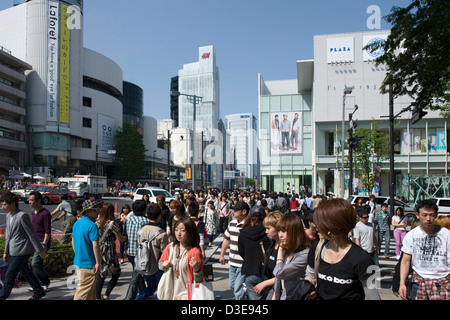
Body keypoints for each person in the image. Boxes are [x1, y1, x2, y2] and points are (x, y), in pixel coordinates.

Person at [305, 198, 380, 300]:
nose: (316, 227)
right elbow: (310, 274)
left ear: (333, 226)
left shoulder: (363, 259)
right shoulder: (317, 248)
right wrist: (308, 288)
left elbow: (373, 296)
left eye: (320, 223)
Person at [399, 199, 450, 300]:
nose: (428, 218)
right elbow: (405, 261)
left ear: (436, 215)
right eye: (424, 215)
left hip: (442, 281)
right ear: (417, 215)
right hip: (419, 281)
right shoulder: (411, 235)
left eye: (431, 215)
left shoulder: (446, 234)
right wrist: (402, 283)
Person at [0, 191, 46, 300]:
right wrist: (6, 251)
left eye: (4, 204)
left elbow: (32, 234)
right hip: (13, 250)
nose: (2, 207)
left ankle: (2, 296)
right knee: (25, 271)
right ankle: (38, 290)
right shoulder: (8, 216)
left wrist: (40, 250)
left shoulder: (22, 216)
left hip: (23, 250)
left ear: (12, 204)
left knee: (10, 274)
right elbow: (9, 236)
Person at [158, 217, 204, 300]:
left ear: (190, 232)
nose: (178, 233)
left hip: (187, 295)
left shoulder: (194, 252)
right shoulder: (171, 247)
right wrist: (163, 265)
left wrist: (196, 269)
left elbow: (200, 280)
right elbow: (160, 264)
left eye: (183, 231)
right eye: (176, 230)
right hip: (171, 293)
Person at [272, 214, 311, 300]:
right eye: (278, 231)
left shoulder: (304, 254)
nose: (280, 235)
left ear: (294, 232)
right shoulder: (287, 250)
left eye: (284, 231)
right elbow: (277, 282)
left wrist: (280, 252)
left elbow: (280, 273)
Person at [135, 203, 169, 300]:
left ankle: (138, 298)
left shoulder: (140, 231)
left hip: (144, 264)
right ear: (159, 216)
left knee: (151, 286)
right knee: (160, 289)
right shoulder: (162, 234)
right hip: (158, 265)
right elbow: (165, 252)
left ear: (147, 214)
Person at [71, 198, 103, 300]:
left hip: (79, 262)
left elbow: (73, 241)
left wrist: (78, 254)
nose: (98, 211)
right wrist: (98, 262)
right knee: (83, 293)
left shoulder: (77, 223)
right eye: (95, 209)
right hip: (89, 263)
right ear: (88, 211)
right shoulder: (92, 226)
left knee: (90, 293)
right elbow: (95, 245)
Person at [238, 205, 271, 300]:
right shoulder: (267, 232)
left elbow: (241, 251)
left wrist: (249, 258)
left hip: (250, 269)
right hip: (267, 270)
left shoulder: (244, 232)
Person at [95, 203, 127, 300]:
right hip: (109, 251)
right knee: (116, 273)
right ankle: (106, 294)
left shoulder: (97, 223)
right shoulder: (112, 223)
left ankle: (97, 297)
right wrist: (126, 237)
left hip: (100, 249)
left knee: (101, 274)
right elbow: (120, 238)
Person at [220, 201, 249, 300]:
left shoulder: (249, 225)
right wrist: (222, 255)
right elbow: (226, 239)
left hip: (242, 264)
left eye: (236, 210)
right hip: (232, 261)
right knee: (232, 286)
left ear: (244, 211)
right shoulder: (232, 223)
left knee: (237, 290)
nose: (233, 212)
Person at [253, 210, 284, 299]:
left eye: (268, 228)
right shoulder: (273, 243)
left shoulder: (284, 249)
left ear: (277, 228)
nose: (266, 231)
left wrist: (264, 284)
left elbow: (284, 274)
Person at [124, 200, 150, 300]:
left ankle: (143, 291)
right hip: (141, 253)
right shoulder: (146, 221)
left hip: (129, 251)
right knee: (136, 276)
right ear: (144, 210)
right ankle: (129, 297)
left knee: (137, 273)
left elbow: (125, 235)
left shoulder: (128, 220)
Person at [28, 191, 52, 291]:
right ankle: (39, 283)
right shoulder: (33, 212)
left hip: (42, 241)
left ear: (38, 201)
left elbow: (47, 230)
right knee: (37, 264)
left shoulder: (45, 213)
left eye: (31, 200)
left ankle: (45, 282)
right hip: (34, 241)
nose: (29, 202)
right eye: (29, 200)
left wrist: (44, 244)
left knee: (35, 263)